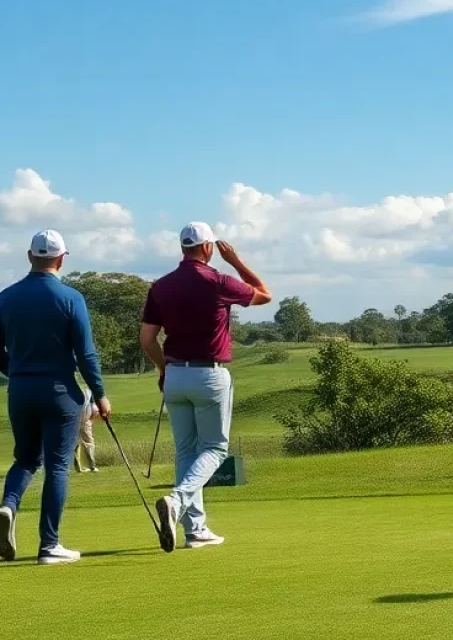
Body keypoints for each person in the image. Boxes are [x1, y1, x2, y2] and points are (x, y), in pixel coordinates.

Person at [140, 223, 271, 553]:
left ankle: (195, 530)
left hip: (175, 376)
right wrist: (237, 262)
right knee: (214, 449)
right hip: (209, 375)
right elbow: (264, 294)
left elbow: (147, 339)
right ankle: (178, 500)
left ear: (182, 248)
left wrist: (162, 368)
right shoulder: (219, 282)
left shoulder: (161, 286)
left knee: (186, 451)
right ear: (209, 248)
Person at [0, 230, 112, 565]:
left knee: (26, 459)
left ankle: (8, 506)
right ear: (61, 258)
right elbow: (86, 353)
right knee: (58, 465)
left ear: (29, 256)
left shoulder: (5, 297)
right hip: (60, 392)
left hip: (19, 390)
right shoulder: (70, 298)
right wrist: (101, 395)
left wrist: (16, 369)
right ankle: (49, 545)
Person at [74, 388, 101, 472]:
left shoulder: (70, 389)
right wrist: (91, 421)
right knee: (89, 443)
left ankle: (78, 467)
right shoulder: (88, 392)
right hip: (84, 421)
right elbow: (95, 409)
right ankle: (92, 466)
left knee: (75, 445)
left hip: (72, 421)